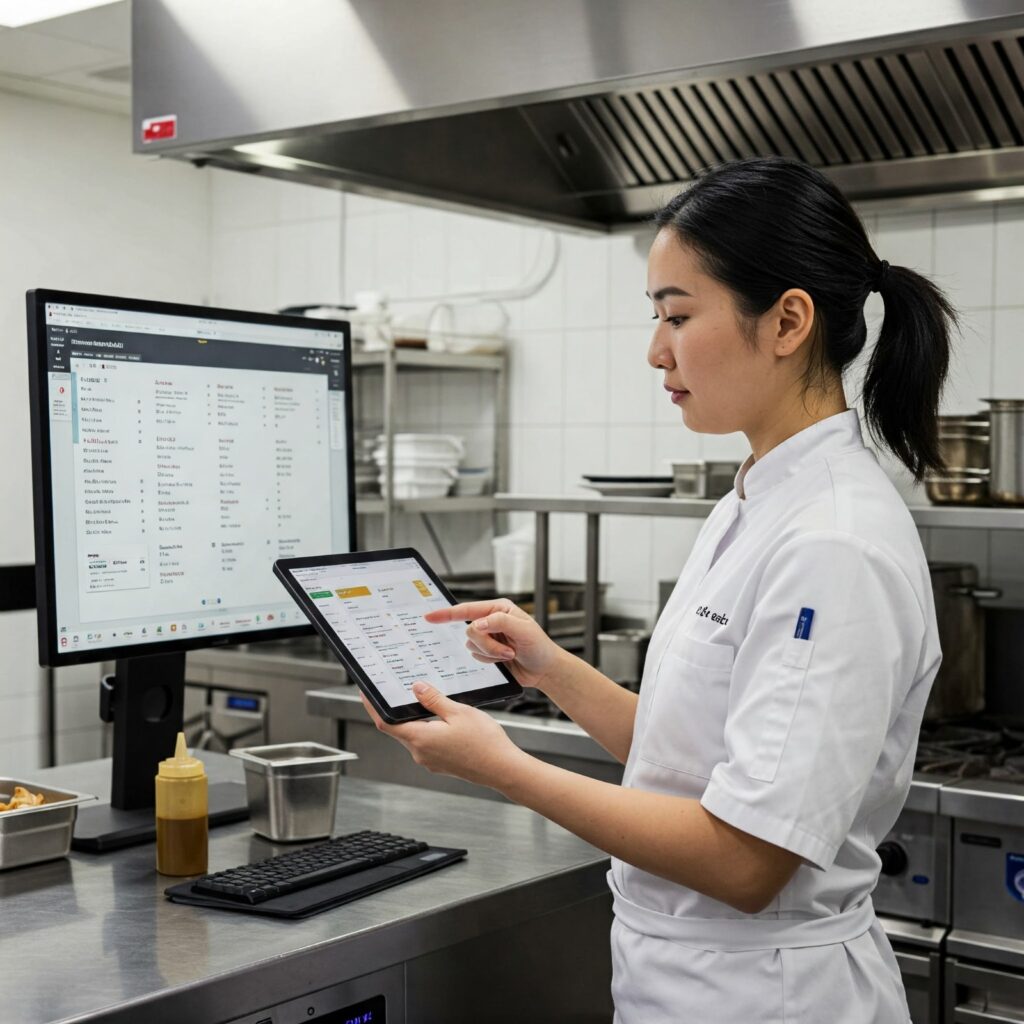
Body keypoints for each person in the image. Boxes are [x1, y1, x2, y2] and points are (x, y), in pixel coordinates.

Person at [360, 156, 955, 1023]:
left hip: (769, 996)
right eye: (656, 318)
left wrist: (503, 768)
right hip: (685, 980)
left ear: (788, 321)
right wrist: (552, 669)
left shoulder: (834, 541)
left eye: (677, 315)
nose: (656, 351)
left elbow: (746, 860)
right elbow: (689, 757)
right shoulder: (754, 500)